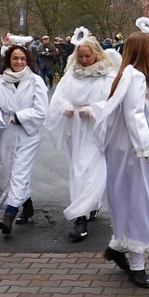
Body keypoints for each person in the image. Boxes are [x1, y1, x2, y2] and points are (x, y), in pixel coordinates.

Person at [95, 30, 149, 289]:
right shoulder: (136, 77)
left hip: (128, 152)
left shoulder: (131, 75)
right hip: (134, 154)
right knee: (139, 203)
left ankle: (117, 247)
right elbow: (134, 117)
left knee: (128, 202)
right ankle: (137, 267)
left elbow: (141, 110)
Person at [46, 35, 120, 242]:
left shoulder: (108, 77)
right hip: (77, 131)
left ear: (97, 54)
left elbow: (115, 103)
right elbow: (59, 98)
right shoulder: (72, 76)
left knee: (92, 171)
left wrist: (94, 109)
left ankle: (81, 214)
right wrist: (65, 108)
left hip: (98, 131)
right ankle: (85, 211)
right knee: (79, 170)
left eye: (88, 56)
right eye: (81, 56)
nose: (85, 60)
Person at [0, 45, 49, 235]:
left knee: (20, 170)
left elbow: (42, 108)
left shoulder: (36, 81)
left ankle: (9, 214)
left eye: (22, 59)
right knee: (11, 171)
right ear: (8, 60)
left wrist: (21, 117)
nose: (19, 62)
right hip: (5, 131)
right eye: (15, 58)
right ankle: (27, 206)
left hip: (29, 132)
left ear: (28, 61)